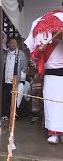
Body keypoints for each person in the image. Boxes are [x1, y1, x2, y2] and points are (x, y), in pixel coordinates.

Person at [25, 14, 63, 143]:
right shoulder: (45, 42)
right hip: (51, 77)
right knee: (51, 104)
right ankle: (53, 132)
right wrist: (40, 50)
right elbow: (35, 59)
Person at [1, 37, 28, 121]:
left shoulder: (21, 54)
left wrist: (22, 81)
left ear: (17, 45)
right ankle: (5, 114)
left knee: (15, 98)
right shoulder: (4, 54)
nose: (13, 44)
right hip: (6, 79)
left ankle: (14, 114)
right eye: (11, 43)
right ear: (8, 44)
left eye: (15, 43)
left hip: (16, 80)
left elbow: (24, 68)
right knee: (5, 97)